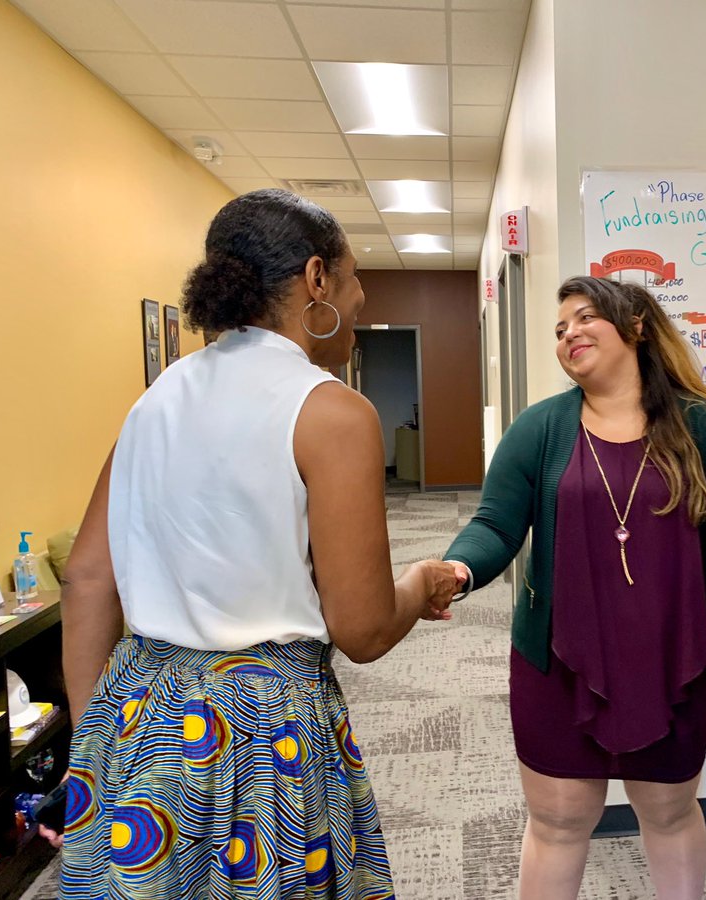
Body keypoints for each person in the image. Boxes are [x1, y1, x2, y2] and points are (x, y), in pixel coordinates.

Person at [51, 189, 463, 898]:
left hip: (136, 713)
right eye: (354, 280)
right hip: (259, 736)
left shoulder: (154, 402)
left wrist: (97, 741)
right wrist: (422, 582)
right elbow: (362, 627)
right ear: (316, 279)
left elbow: (86, 578)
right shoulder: (332, 412)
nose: (358, 301)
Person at [444, 275, 706, 899]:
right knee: (559, 820)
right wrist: (458, 570)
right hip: (558, 657)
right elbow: (496, 524)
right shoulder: (541, 428)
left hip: (673, 658)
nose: (569, 333)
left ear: (636, 327)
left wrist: (681, 575)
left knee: (669, 812)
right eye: (560, 328)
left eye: (585, 317)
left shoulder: (701, 424)